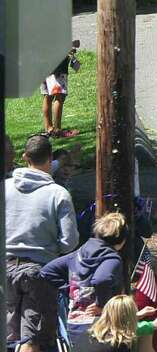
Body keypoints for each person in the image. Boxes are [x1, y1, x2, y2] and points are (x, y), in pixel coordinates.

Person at [6, 133, 78, 352]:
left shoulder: (5, 187)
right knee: (33, 340)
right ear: (50, 159)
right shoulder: (58, 194)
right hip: (38, 272)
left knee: (9, 337)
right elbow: (69, 242)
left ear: (25, 156)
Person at [41, 212, 129, 351]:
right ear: (122, 239)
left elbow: (47, 271)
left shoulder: (79, 254)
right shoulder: (112, 258)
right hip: (102, 325)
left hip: (75, 323)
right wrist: (101, 304)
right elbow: (102, 279)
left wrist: (73, 290)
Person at [88, 295, 157, 352]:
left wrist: (138, 315)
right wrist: (151, 326)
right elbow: (125, 331)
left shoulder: (90, 329)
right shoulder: (119, 345)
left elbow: (115, 322)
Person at [41, 39, 81, 137]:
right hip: (56, 68)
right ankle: (57, 130)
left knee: (47, 96)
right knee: (59, 96)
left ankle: (49, 128)